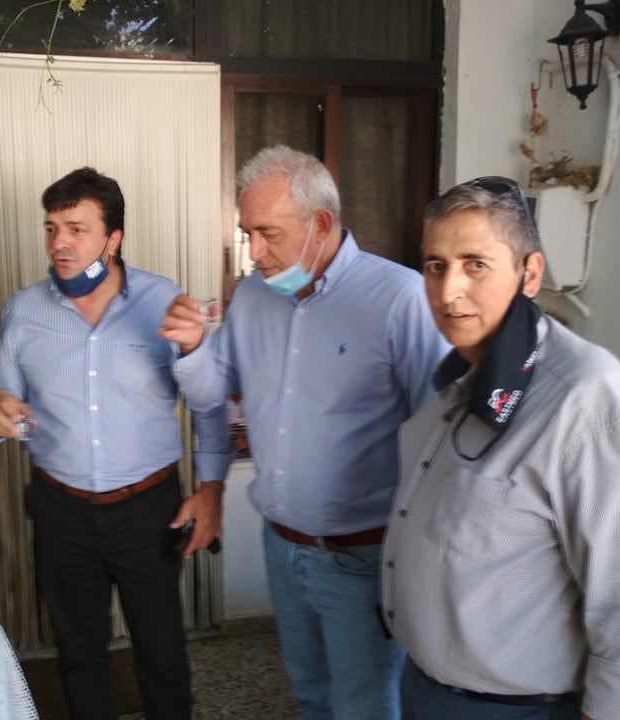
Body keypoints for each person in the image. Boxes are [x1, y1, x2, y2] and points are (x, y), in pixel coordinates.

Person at [380, 176, 620, 720]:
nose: (449, 291)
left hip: (517, 709)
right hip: (427, 688)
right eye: (435, 266)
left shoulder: (589, 400)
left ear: (530, 274)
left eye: (476, 264)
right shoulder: (460, 381)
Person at [158, 145, 449, 720]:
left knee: (366, 707)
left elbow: (439, 438)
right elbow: (213, 395)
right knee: (311, 696)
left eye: (268, 233)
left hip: (362, 557)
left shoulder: (401, 299)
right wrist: (192, 349)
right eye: (247, 233)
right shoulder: (252, 297)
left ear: (320, 224)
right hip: (282, 545)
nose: (254, 252)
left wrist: (430, 568)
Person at [0, 167, 230, 720]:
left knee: (162, 653)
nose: (59, 243)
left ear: (112, 239)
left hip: (148, 510)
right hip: (60, 511)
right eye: (51, 228)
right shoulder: (24, 310)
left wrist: (211, 488)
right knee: (78, 654)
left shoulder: (163, 300)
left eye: (77, 229)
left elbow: (210, 403)